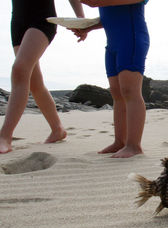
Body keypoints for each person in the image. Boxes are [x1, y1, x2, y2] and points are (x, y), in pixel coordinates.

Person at [0, 0, 86, 154]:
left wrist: (80, 18)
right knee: (34, 82)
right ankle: (57, 129)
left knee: (20, 69)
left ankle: (4, 137)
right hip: (18, 21)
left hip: (42, 20)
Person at [71, 0, 150, 158]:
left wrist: (93, 2)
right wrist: (89, 26)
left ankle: (134, 145)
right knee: (116, 93)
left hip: (131, 40)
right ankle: (120, 141)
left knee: (130, 90)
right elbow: (110, 15)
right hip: (113, 43)